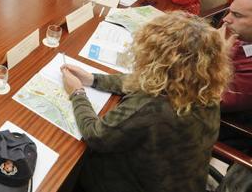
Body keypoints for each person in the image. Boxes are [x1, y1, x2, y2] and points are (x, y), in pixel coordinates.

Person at [61, 11, 231, 192]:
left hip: (135, 184)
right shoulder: (206, 90)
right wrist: (93, 79)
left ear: (160, 60)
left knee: (73, 163)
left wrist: (77, 93)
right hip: (179, 179)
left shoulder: (151, 106)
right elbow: (145, 81)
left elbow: (96, 135)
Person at [220, 0, 252, 114]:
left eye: (237, 15)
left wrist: (218, 57)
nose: (225, 19)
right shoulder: (244, 40)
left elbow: (216, 101)